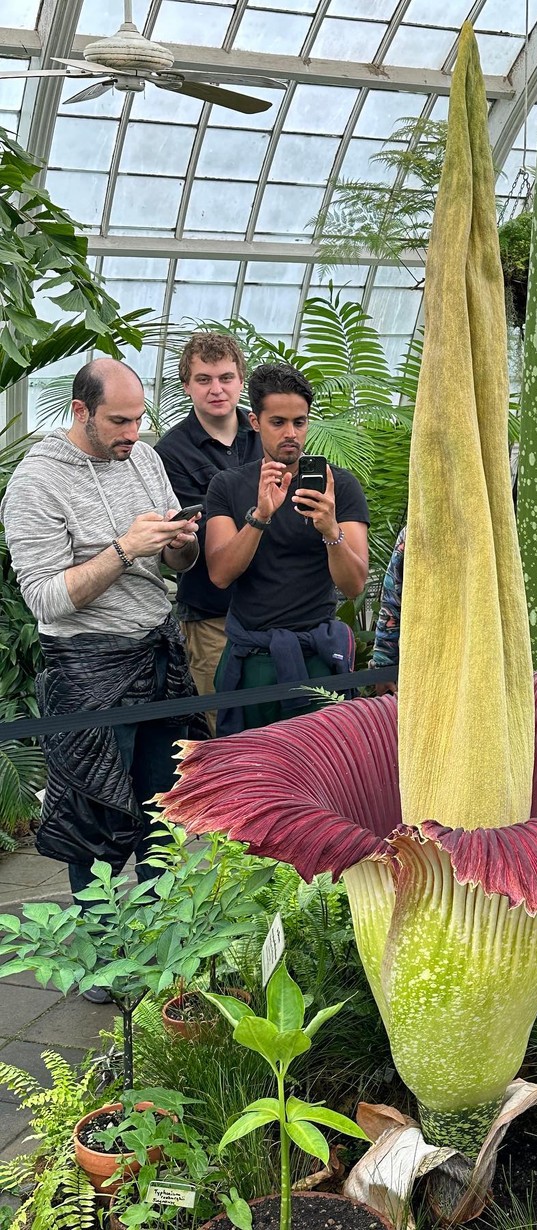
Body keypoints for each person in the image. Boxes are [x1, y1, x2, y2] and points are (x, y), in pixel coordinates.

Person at [0, 359, 206, 997]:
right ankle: (99, 962)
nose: (133, 432)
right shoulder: (36, 484)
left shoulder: (144, 460)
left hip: (158, 655)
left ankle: (155, 949)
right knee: (92, 818)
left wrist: (178, 545)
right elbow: (46, 600)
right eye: (120, 420)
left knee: (161, 813)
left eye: (140, 418)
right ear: (80, 410)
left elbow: (179, 563)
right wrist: (123, 549)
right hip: (86, 668)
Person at [205, 362, 369, 734]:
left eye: (300, 421)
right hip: (252, 659)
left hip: (317, 657)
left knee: (322, 775)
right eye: (278, 422)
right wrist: (260, 516)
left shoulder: (339, 487)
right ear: (255, 422)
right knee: (248, 774)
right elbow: (220, 573)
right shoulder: (228, 485)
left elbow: (354, 584)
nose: (291, 433)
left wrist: (330, 529)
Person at [370, 494, 537, 691]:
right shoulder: (419, 533)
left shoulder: (511, 530)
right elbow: (393, 600)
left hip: (505, 670)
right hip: (438, 668)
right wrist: (384, 663)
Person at [154, 333, 262, 719]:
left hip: (276, 613)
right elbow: (191, 538)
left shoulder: (267, 432)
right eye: (204, 379)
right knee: (222, 730)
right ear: (187, 386)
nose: (217, 389)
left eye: (226, 377)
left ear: (240, 381)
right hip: (214, 618)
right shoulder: (170, 453)